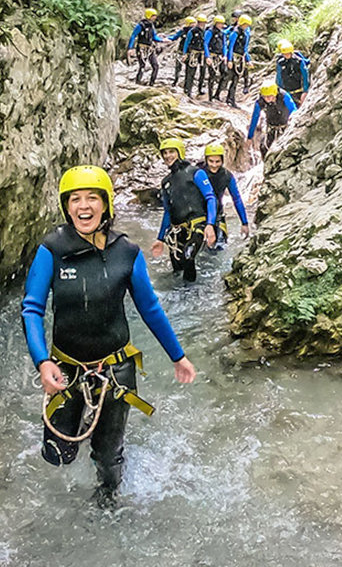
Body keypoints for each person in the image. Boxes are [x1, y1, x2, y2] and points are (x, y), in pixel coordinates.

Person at [21, 165, 197, 507]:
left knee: (108, 461)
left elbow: (150, 309)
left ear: (105, 205)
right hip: (66, 368)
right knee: (57, 454)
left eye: (92, 198)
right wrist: (43, 363)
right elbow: (32, 309)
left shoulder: (126, 252)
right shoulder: (51, 250)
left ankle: (106, 504)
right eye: (75, 199)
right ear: (66, 205)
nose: (83, 206)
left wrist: (178, 356)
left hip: (114, 370)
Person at [151, 137, 217, 282]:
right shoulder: (166, 182)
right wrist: (160, 238)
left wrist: (210, 225)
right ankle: (179, 300)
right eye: (165, 153)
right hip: (177, 231)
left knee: (188, 257)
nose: (168, 156)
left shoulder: (196, 173)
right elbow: (168, 211)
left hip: (197, 225)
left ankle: (193, 297)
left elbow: (210, 198)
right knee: (177, 268)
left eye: (171, 152)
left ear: (180, 152)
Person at [199, 142, 248, 250]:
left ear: (222, 161)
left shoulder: (227, 176)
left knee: (219, 247)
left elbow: (237, 199)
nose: (214, 165)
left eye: (218, 161)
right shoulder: (198, 173)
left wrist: (244, 223)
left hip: (217, 214)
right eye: (211, 161)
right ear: (206, 160)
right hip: (198, 214)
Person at [247, 81, 298, 159]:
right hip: (272, 128)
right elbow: (255, 118)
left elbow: (294, 110)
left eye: (269, 96)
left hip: (286, 126)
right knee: (264, 148)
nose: (267, 99)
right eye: (265, 96)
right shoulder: (260, 102)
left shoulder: (284, 96)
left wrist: (295, 125)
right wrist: (250, 136)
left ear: (275, 93)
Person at [126, 8, 161, 86]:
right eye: (153, 16)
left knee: (155, 66)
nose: (154, 18)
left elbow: (154, 37)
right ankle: (138, 82)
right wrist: (130, 48)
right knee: (142, 65)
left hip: (150, 49)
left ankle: (152, 83)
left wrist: (163, 40)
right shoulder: (140, 25)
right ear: (149, 16)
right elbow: (133, 36)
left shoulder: (151, 25)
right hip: (141, 48)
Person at [224, 15, 253, 107]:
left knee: (236, 79)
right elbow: (231, 46)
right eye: (246, 25)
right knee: (230, 77)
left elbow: (245, 49)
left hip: (240, 58)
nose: (246, 27)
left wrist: (248, 60)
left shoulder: (245, 34)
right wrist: (229, 60)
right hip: (233, 57)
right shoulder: (235, 32)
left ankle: (231, 98)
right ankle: (225, 96)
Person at [275, 39, 311, 105]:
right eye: (285, 54)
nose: (286, 55)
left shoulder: (298, 61)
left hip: (298, 90)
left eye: (288, 53)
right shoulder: (280, 62)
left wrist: (305, 91)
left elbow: (305, 75)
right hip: (287, 91)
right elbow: (279, 77)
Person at [182, 15, 209, 98]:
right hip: (193, 53)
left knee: (203, 72)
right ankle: (188, 90)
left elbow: (205, 43)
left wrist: (207, 55)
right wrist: (185, 53)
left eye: (203, 23)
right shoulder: (192, 31)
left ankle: (200, 89)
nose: (202, 24)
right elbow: (187, 42)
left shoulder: (205, 31)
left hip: (202, 53)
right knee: (191, 72)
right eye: (201, 22)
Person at [203, 15, 229, 101]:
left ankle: (217, 94)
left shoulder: (222, 33)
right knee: (212, 75)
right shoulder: (210, 31)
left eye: (222, 24)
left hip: (220, 56)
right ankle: (210, 96)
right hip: (212, 55)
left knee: (225, 73)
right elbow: (205, 43)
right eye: (220, 23)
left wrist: (225, 55)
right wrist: (208, 56)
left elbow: (224, 44)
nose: (221, 25)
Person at [170, 16, 197, 86]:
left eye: (194, 23)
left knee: (189, 69)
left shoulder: (195, 32)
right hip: (181, 51)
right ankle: (175, 81)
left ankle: (187, 83)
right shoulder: (182, 31)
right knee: (178, 67)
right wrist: (165, 38)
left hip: (190, 52)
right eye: (192, 23)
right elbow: (175, 37)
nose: (193, 25)